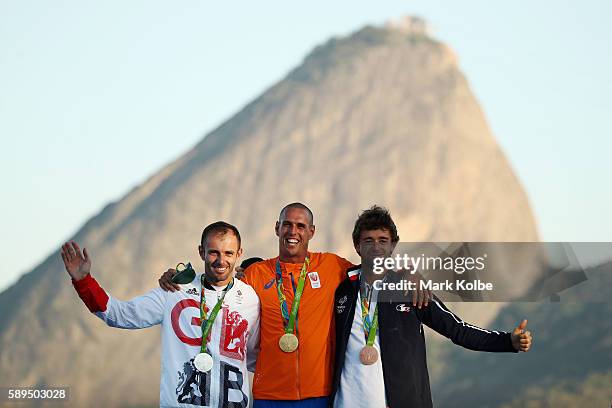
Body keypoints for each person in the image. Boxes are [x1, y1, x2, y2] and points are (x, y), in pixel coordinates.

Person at [159, 203, 431, 407]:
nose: (293, 231)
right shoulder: (255, 274)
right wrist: (181, 279)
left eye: (301, 226)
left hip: (319, 395)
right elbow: (218, 277)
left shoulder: (332, 266)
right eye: (287, 224)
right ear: (277, 228)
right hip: (268, 395)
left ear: (311, 232)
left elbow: (373, 268)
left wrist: (409, 272)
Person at [330, 206, 533, 408]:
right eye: (368, 241)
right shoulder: (341, 289)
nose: (376, 247)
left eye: (383, 241)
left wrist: (508, 341)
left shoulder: (410, 289)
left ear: (393, 246)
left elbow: (458, 329)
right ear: (357, 246)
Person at [62, 221, 260, 408]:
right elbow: (119, 315)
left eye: (228, 253)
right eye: (213, 252)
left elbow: (253, 357)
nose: (221, 260)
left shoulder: (251, 298)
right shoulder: (174, 290)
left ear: (239, 253)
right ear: (201, 252)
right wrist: (84, 281)